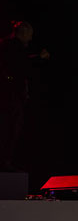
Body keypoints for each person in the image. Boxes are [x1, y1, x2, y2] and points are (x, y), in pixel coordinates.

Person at [0, 21, 48, 171]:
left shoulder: (10, 46)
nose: (31, 39)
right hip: (10, 96)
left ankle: (6, 161)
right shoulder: (12, 46)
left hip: (11, 95)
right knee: (10, 128)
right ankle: (5, 162)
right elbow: (21, 65)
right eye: (30, 35)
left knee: (11, 128)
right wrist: (39, 58)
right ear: (24, 33)